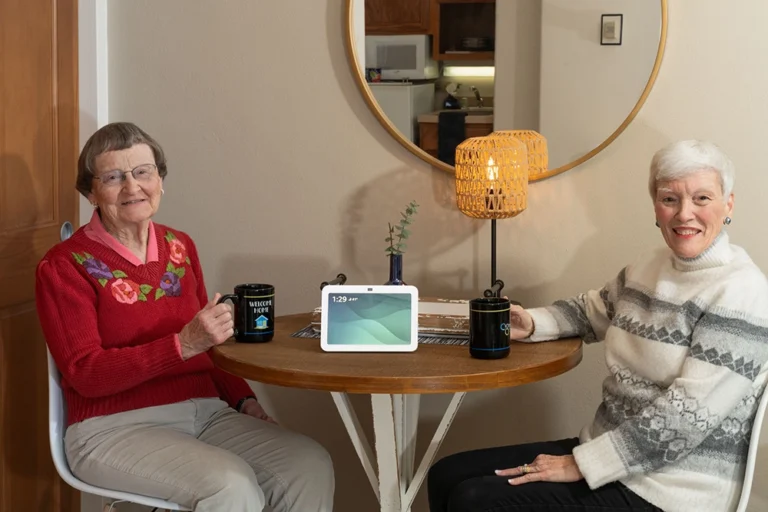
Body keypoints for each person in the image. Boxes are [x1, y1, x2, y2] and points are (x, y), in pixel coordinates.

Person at [428, 140, 768, 512]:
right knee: (447, 474)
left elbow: (687, 418)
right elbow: (595, 309)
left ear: (728, 204)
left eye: (702, 198)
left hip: (671, 487)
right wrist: (534, 321)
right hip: (609, 454)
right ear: (656, 206)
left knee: (474, 499)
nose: (684, 213)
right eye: (670, 199)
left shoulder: (742, 292)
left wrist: (582, 464)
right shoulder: (651, 264)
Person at [36, 122, 334, 512]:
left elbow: (210, 345)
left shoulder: (180, 246)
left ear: (160, 180)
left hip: (206, 413)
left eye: (143, 172)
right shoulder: (64, 265)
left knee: (308, 463)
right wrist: (181, 345)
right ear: (91, 192)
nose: (132, 187)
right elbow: (85, 373)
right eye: (113, 177)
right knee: (231, 488)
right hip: (110, 429)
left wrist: (243, 400)